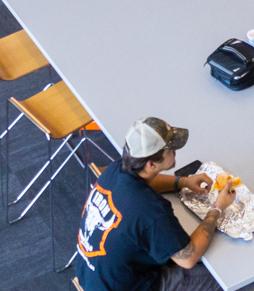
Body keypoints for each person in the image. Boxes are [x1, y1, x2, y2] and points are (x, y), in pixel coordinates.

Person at [75, 116, 234, 291]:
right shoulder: (151, 210)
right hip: (127, 286)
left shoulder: (116, 169)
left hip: (91, 276)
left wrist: (183, 182)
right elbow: (188, 258)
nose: (175, 152)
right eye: (171, 150)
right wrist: (218, 207)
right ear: (151, 164)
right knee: (225, 278)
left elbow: (147, 183)